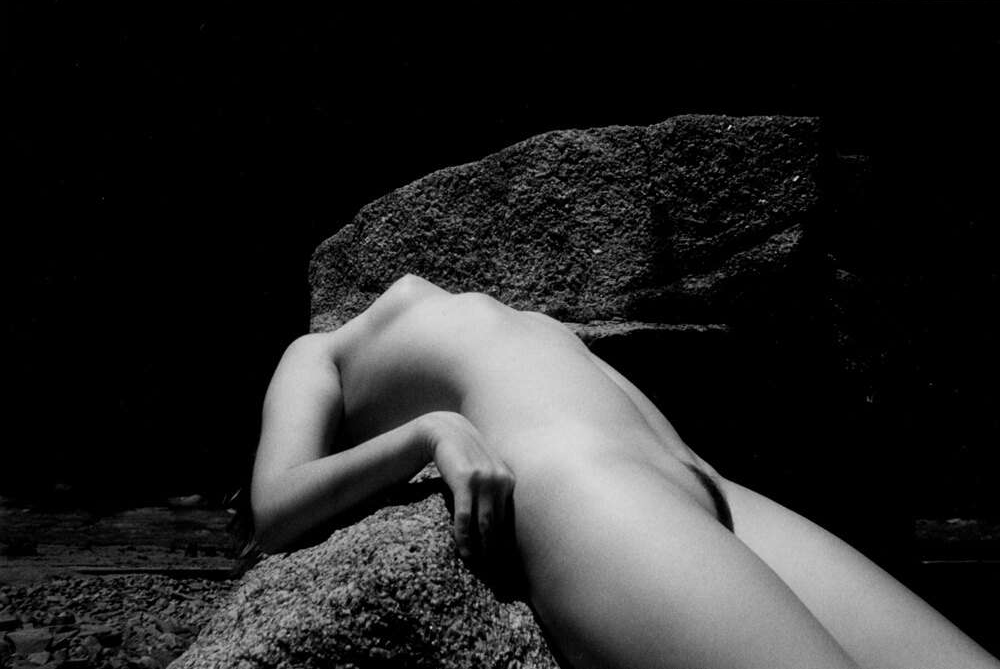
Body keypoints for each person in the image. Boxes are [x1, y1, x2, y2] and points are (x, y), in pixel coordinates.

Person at [251, 273, 999, 669]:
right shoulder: (315, 352)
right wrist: (430, 432)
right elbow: (277, 506)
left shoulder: (447, 314)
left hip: (708, 484)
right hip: (590, 488)